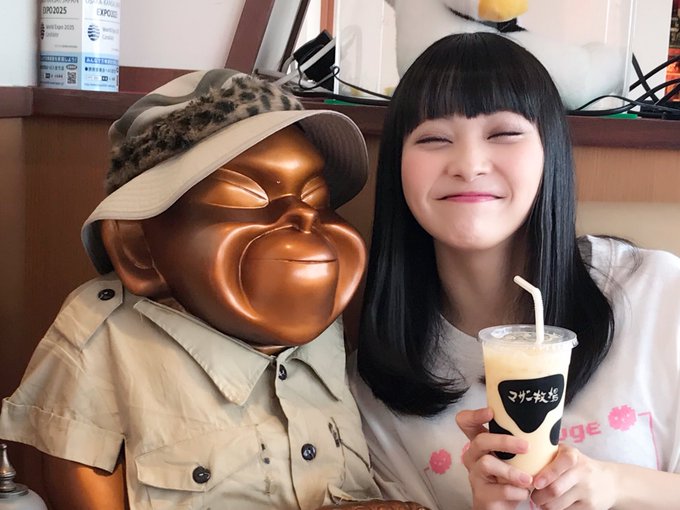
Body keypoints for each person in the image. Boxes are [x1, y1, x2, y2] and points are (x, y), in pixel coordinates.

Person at [0, 69, 426, 510]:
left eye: (316, 199)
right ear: (137, 246)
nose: (304, 217)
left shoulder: (329, 329)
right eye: (246, 197)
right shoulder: (99, 341)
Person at [350, 32, 680, 510]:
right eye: (434, 138)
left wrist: (615, 484)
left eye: (503, 133)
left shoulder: (656, 295)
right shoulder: (373, 392)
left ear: (550, 153)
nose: (468, 165)